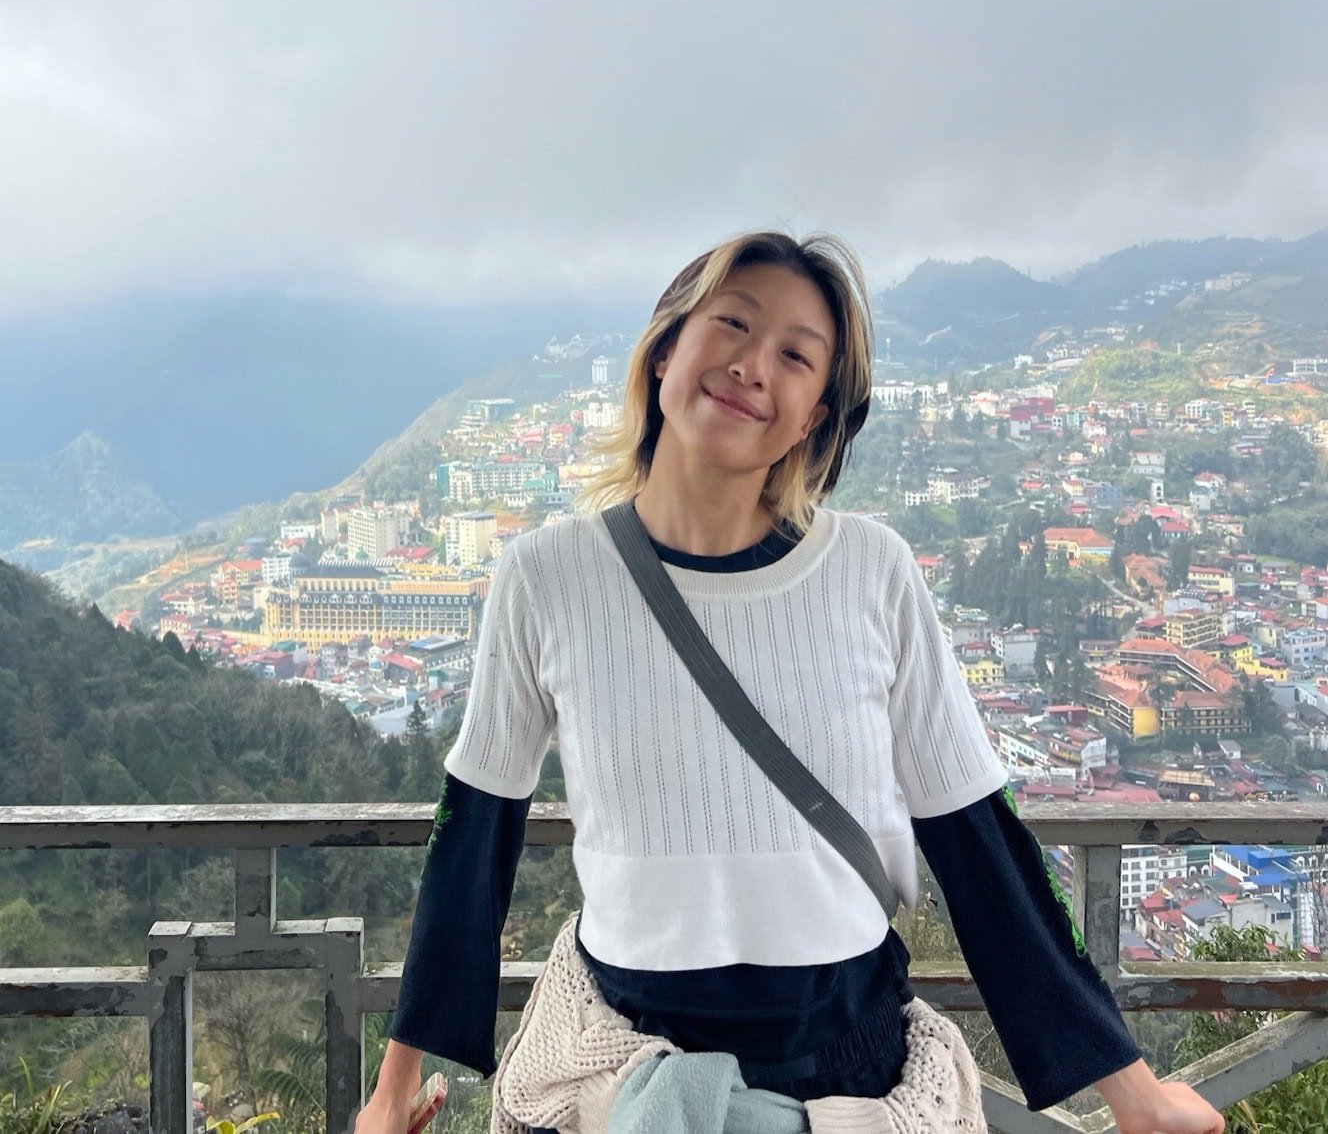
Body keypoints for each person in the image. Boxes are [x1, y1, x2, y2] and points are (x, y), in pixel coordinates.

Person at [356, 229, 1224, 1134]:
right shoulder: (546, 576)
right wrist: (391, 1095)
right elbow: (473, 841)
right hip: (628, 1063)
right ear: (663, 354)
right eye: (731, 323)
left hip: (850, 1067)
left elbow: (978, 840)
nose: (751, 365)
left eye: (795, 356)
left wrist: (1136, 1096)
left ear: (813, 416)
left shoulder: (870, 571)